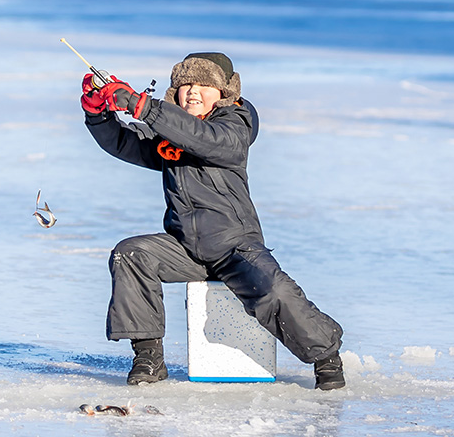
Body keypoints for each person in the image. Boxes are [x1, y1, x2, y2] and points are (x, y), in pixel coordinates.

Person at [80, 53, 348, 390]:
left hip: (235, 247)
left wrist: (143, 107)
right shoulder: (171, 133)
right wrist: (97, 114)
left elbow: (210, 141)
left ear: (223, 92)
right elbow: (126, 142)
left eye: (203, 85)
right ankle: (148, 357)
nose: (192, 92)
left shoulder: (236, 122)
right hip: (185, 248)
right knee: (131, 254)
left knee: (273, 290)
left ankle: (326, 356)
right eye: (185, 85)